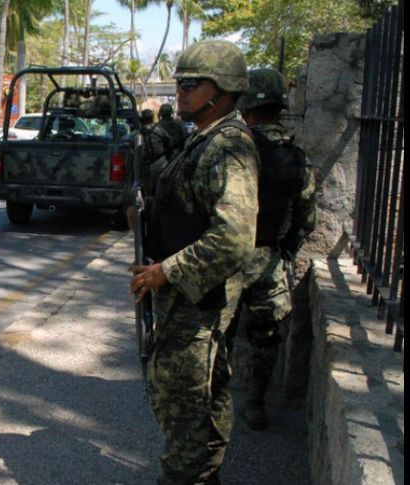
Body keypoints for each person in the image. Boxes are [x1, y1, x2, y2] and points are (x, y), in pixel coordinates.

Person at [129, 39, 259, 485]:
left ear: (221, 91)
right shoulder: (201, 140)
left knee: (184, 406)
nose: (180, 91)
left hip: (196, 301)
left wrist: (167, 271)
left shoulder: (227, 147)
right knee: (204, 398)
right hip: (188, 297)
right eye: (179, 83)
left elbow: (235, 237)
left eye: (190, 84)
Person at [228, 67, 317, 431]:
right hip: (269, 262)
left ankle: (215, 401)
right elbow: (307, 217)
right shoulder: (296, 157)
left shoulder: (231, 151)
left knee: (220, 331)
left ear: (246, 105)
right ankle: (255, 404)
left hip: (226, 260)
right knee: (265, 339)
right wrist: (284, 249)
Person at [140, 108, 174, 195]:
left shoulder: (137, 133)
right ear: (152, 119)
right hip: (160, 163)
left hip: (144, 165)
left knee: (146, 190)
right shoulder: (158, 130)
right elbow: (169, 142)